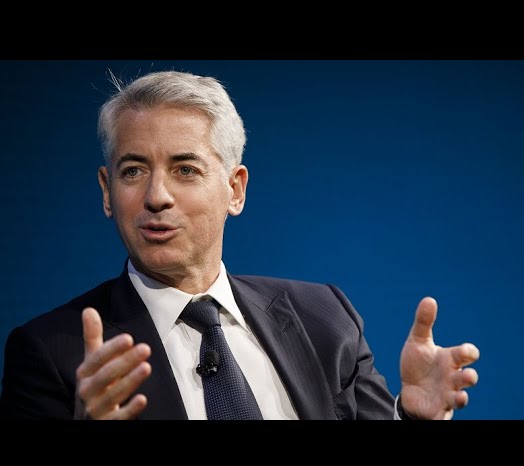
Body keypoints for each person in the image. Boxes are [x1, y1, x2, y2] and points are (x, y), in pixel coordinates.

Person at [0, 70, 479, 420]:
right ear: (107, 192)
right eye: (134, 170)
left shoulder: (325, 319)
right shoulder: (52, 353)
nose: (156, 196)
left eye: (185, 170)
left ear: (235, 189)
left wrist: (413, 416)